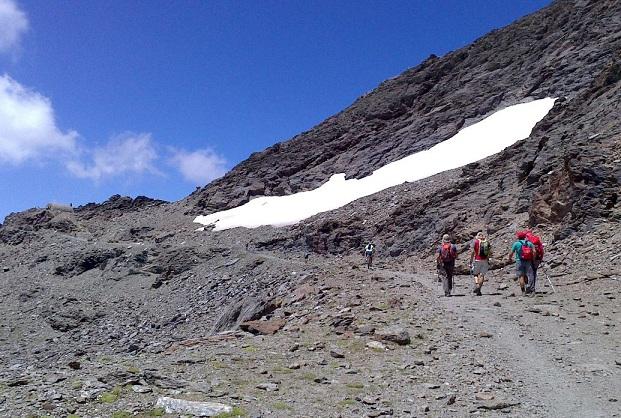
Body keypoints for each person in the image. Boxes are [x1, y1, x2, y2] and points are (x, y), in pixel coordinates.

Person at [508, 231, 537, 295]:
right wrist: (533, 258)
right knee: (530, 275)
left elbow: (511, 253)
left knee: (521, 276)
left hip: (519, 261)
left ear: (518, 237)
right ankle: (532, 290)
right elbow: (534, 251)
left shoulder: (516, 244)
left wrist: (510, 259)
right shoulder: (529, 243)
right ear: (524, 237)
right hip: (528, 261)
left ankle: (523, 292)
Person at [470, 232, 491, 296]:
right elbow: (489, 252)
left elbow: (473, 252)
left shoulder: (475, 242)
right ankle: (479, 289)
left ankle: (477, 285)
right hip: (485, 260)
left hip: (477, 260)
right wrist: (488, 259)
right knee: (482, 275)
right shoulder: (487, 242)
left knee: (475, 274)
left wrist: (471, 260)